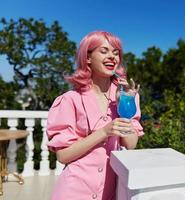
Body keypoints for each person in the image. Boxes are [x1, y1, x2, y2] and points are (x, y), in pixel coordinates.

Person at [46, 30, 144, 200]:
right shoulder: (70, 100)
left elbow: (131, 144)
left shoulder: (127, 96)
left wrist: (125, 110)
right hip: (74, 191)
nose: (112, 57)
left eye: (116, 52)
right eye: (104, 51)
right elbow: (63, 156)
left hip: (110, 192)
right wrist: (104, 132)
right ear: (88, 58)